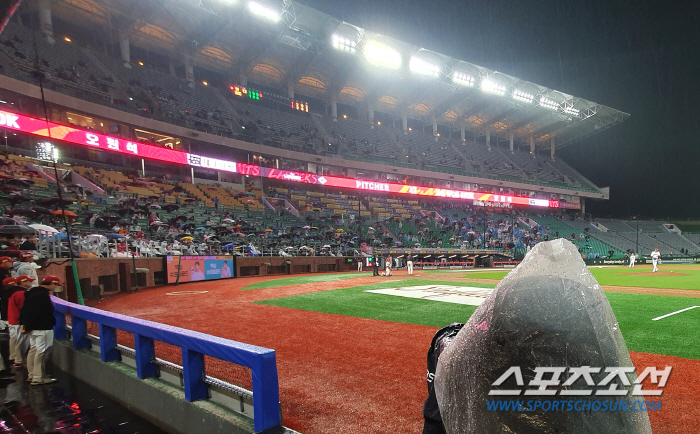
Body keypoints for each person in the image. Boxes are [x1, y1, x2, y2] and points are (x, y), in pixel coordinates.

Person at [20, 275, 61, 386]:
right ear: (52, 284)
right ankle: (39, 377)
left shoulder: (32, 293)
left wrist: (24, 324)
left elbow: (25, 310)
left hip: (32, 328)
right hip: (42, 328)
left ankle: (32, 375)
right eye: (56, 284)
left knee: (33, 350)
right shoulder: (42, 296)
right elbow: (40, 313)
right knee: (42, 352)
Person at [8, 275, 31, 367]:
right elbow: (23, 308)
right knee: (21, 341)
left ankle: (15, 358)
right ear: (23, 282)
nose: (31, 282)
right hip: (18, 321)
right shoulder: (20, 293)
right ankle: (18, 360)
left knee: (16, 340)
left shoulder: (14, 292)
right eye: (29, 281)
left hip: (13, 320)